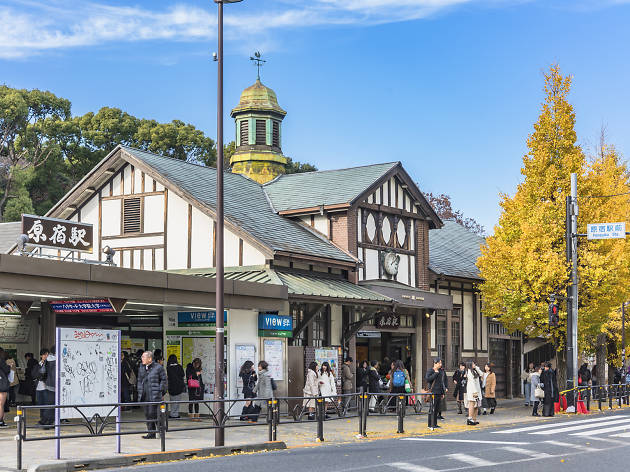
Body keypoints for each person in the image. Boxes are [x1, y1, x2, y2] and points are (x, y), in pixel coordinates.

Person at [136, 351, 167, 439]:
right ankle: (151, 433)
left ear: (149, 359)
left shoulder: (158, 367)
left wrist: (160, 391)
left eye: (143, 357)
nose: (142, 358)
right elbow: (139, 380)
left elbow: (164, 380)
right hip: (145, 395)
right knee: (148, 414)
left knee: (156, 414)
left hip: (155, 395)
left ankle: (161, 432)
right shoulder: (141, 368)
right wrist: (139, 391)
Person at [425, 358, 447, 429]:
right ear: (435, 363)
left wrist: (443, 393)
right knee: (432, 408)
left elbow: (441, 382)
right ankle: (430, 424)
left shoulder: (441, 371)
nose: (441, 364)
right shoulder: (430, 370)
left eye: (441, 363)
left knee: (437, 409)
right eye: (439, 363)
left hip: (439, 392)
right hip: (433, 392)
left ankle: (434, 423)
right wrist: (435, 373)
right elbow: (428, 379)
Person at [33, 348, 51, 427]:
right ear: (41, 355)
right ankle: (42, 419)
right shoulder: (38, 364)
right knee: (41, 404)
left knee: (47, 404)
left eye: (47, 354)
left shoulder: (50, 364)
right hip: (38, 387)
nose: (46, 356)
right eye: (44, 354)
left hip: (46, 387)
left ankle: (47, 421)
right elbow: (34, 374)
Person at [166, 354, 186, 419]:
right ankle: (175, 414)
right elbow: (183, 374)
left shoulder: (168, 368)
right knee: (177, 401)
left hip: (171, 387)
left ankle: (173, 414)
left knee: (172, 401)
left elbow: (169, 377)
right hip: (179, 386)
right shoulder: (179, 367)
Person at [465, 361, 483, 426]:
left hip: (477, 390)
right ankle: (470, 419)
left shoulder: (475, 371)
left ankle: (474, 419)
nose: (474, 364)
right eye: (473, 364)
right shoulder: (469, 372)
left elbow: (481, 374)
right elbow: (472, 382)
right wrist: (475, 392)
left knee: (476, 405)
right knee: (472, 404)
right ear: (470, 365)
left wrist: (477, 368)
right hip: (472, 391)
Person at [0, 349, 10, 427]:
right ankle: (0, 421)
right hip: (1, 385)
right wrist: (9, 366)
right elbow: (6, 370)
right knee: (1, 404)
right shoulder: (1, 360)